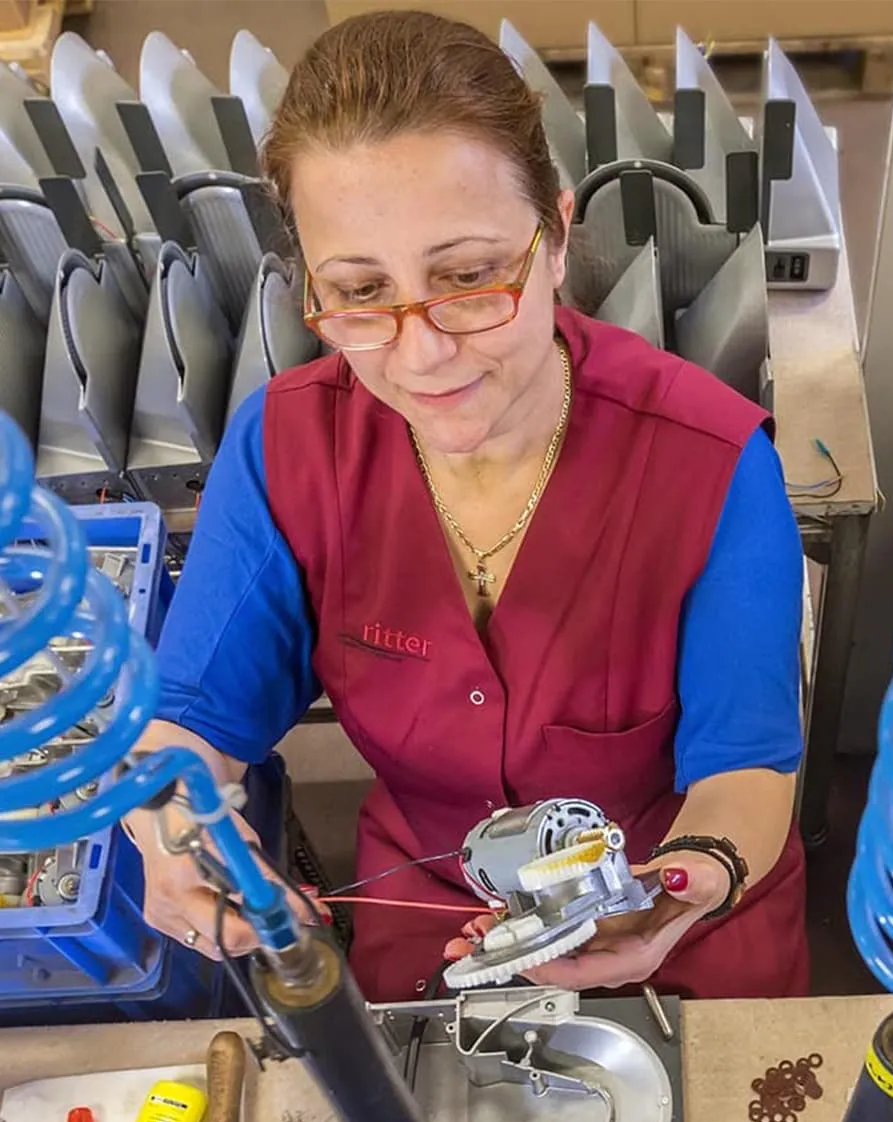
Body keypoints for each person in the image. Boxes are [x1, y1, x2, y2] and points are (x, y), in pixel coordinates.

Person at [124, 8, 809, 1006]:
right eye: (360, 292)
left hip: (682, 910)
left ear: (559, 237)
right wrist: (169, 821)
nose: (422, 351)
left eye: (470, 277)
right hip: (435, 916)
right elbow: (194, 709)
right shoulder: (285, 449)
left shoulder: (708, 460)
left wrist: (686, 883)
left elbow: (745, 764)